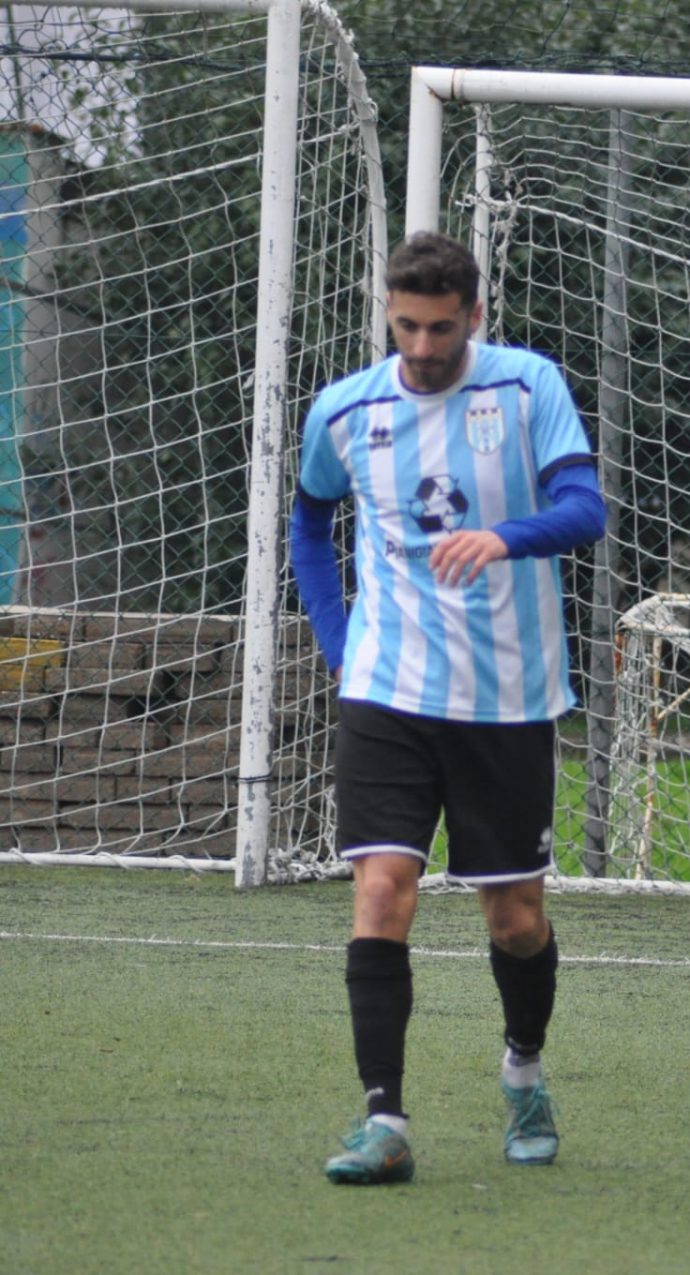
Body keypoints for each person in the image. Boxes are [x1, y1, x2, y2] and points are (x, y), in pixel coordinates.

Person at [289, 231, 607, 1184]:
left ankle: (524, 1069)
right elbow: (309, 520)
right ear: (388, 316)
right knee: (382, 889)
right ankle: (383, 1119)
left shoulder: (527, 386)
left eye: (439, 327)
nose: (422, 346)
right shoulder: (346, 410)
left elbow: (585, 508)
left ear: (474, 315)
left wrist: (505, 538)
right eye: (405, 327)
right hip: (388, 690)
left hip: (507, 694)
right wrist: (341, 646)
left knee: (515, 916)